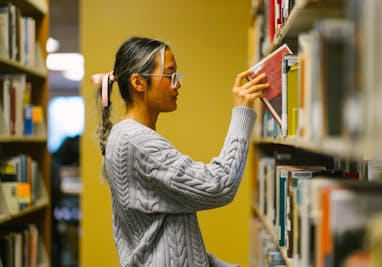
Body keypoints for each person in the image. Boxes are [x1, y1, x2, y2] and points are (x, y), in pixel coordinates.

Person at [91, 36, 268, 267]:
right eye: (170, 75)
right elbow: (219, 185)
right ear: (138, 82)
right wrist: (242, 113)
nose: (177, 83)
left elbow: (167, 238)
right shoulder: (137, 142)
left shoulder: (124, 136)